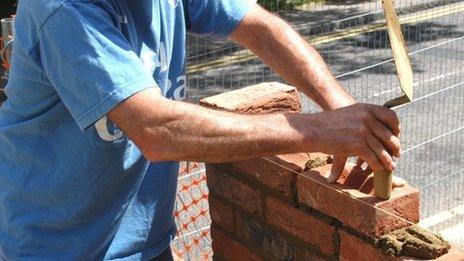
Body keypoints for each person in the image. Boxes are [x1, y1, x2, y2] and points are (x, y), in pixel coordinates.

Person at [0, 0, 403, 260]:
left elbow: (262, 27)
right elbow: (156, 129)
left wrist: (341, 107)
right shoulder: (64, 9)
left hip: (143, 244)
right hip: (55, 247)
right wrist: (319, 130)